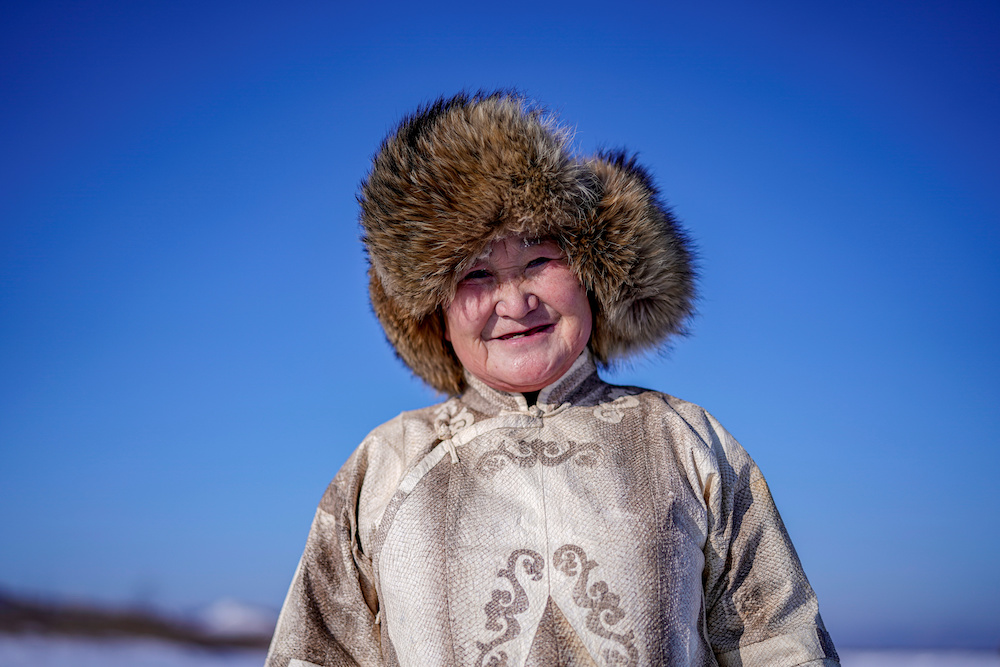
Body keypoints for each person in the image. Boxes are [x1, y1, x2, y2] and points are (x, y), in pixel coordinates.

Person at [265, 92, 839, 667]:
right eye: (476, 274)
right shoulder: (386, 465)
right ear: (434, 311)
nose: (515, 301)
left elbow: (781, 644)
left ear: (592, 275)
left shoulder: (684, 441)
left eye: (540, 260)